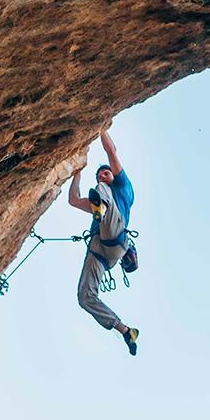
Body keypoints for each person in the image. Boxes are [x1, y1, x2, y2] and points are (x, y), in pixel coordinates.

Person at [68, 123, 139, 355]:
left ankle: (102, 208)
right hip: (101, 254)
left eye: (106, 172)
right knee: (84, 297)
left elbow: (111, 151)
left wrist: (99, 126)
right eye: (100, 174)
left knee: (101, 190)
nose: (103, 175)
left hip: (116, 231)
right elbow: (73, 200)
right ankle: (125, 330)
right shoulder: (99, 191)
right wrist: (77, 173)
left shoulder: (122, 188)